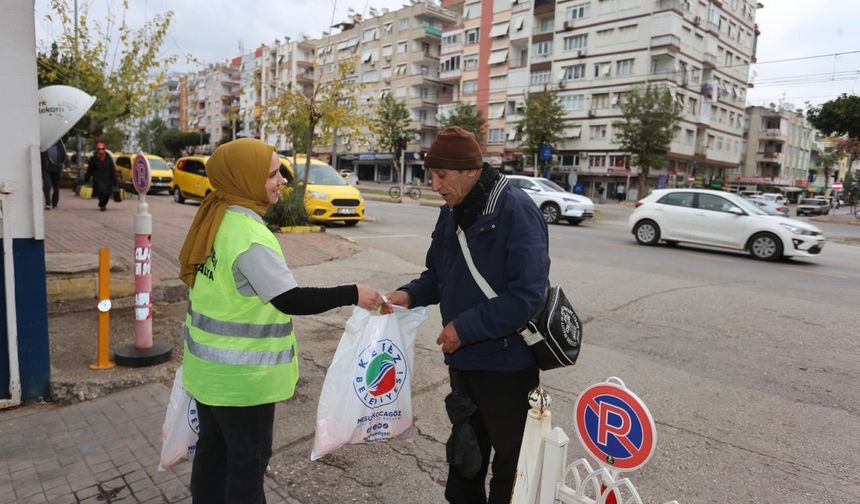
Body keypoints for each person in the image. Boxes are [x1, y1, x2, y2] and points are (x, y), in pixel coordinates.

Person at [177, 138, 386, 504]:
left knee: (212, 454)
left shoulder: (218, 217)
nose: (280, 182)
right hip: (242, 382)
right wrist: (353, 292)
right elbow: (291, 299)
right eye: (271, 174)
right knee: (246, 463)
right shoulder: (249, 235)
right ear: (244, 177)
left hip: (207, 373)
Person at [383, 127, 549, 504]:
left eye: (441, 175)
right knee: (465, 455)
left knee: (510, 466)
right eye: (431, 174)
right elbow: (437, 276)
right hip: (463, 363)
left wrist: (465, 326)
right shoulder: (451, 213)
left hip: (507, 366)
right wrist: (408, 295)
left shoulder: (515, 210)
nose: (434, 184)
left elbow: (528, 296)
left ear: (471, 172)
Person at [84, 142, 117, 211]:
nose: (100, 150)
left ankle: (103, 204)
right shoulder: (93, 159)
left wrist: (115, 180)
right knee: (101, 192)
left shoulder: (108, 158)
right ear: (97, 150)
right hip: (98, 179)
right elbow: (90, 170)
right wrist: (86, 179)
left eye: (102, 149)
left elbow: (112, 169)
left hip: (108, 179)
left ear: (104, 149)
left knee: (107, 193)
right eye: (99, 149)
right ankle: (102, 205)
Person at [41, 140, 67, 209]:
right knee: (47, 185)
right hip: (46, 169)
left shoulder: (61, 146)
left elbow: (65, 156)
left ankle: (54, 203)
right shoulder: (44, 146)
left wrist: (67, 165)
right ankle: (48, 203)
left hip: (57, 169)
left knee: (56, 188)